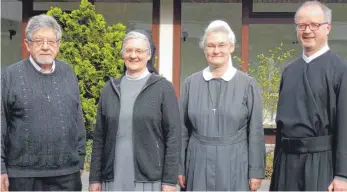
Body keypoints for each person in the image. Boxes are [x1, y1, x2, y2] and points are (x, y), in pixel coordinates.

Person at [1, 14, 86, 191]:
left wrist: (80, 156)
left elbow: (76, 117)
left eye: (51, 41)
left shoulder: (68, 72)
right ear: (27, 44)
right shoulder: (10, 76)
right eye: (39, 41)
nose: (45, 47)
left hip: (67, 175)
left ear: (59, 45)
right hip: (23, 176)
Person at [178, 20, 265, 191]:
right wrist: (180, 167)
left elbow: (255, 131)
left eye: (221, 45)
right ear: (204, 49)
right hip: (197, 163)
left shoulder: (247, 84)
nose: (216, 50)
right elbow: (182, 130)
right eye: (210, 46)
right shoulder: (190, 83)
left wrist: (255, 171)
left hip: (235, 163)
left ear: (231, 47)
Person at [88, 30, 180, 192]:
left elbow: (173, 136)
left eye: (139, 51)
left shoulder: (163, 88)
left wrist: (169, 180)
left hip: (150, 179)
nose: (133, 55)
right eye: (129, 50)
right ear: (123, 54)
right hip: (113, 177)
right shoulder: (110, 89)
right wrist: (95, 178)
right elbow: (99, 137)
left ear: (149, 55)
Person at [270, 1, 347, 191]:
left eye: (314, 25)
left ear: (327, 27)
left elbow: (345, 125)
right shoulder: (288, 71)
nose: (307, 30)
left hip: (322, 162)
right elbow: (280, 127)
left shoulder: (340, 69)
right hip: (286, 163)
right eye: (302, 25)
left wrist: (342, 175)